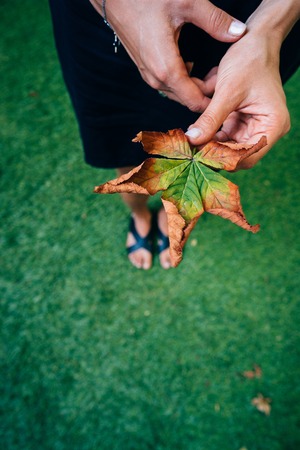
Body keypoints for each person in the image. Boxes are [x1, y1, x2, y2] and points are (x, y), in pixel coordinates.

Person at [49, 0, 300, 270]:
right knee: (127, 152)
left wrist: (270, 29)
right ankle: (140, 213)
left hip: (254, 26)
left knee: (217, 144)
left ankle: (173, 217)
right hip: (110, 22)